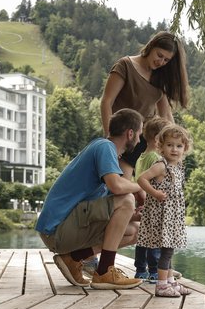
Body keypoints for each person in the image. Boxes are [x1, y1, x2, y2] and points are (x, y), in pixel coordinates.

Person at [35, 109, 146, 290]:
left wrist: (131, 216)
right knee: (126, 199)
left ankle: (73, 258)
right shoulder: (104, 147)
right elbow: (116, 186)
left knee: (135, 230)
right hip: (57, 229)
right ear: (130, 133)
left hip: (68, 227)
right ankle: (104, 272)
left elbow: (106, 204)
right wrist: (142, 185)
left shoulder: (105, 151)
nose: (140, 140)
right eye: (139, 134)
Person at [100, 31, 189, 180]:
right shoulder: (125, 65)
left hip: (144, 139)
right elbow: (106, 102)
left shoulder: (159, 77)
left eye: (166, 60)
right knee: (121, 183)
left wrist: (178, 145)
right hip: (121, 134)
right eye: (159, 55)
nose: (161, 62)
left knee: (146, 186)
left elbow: (165, 115)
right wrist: (110, 139)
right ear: (151, 46)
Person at [137, 124, 193, 297]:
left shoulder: (178, 166)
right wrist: (154, 193)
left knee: (170, 249)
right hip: (161, 215)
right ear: (161, 146)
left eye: (178, 146)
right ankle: (161, 285)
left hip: (172, 216)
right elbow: (141, 179)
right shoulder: (161, 166)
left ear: (185, 148)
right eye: (169, 145)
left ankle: (170, 282)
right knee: (166, 250)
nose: (174, 149)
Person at [133, 117, 168, 281]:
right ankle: (154, 270)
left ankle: (141, 269)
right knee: (155, 238)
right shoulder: (155, 158)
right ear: (157, 139)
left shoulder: (141, 156)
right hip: (153, 202)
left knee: (143, 237)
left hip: (143, 201)